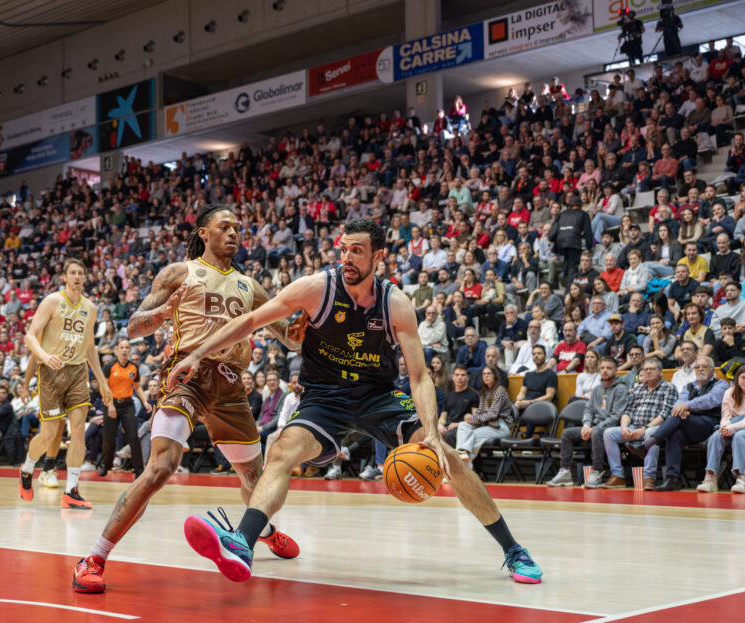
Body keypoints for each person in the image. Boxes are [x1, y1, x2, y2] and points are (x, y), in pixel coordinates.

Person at [169, 218, 542, 585]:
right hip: (325, 399)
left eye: (357, 251)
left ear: (377, 256)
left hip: (378, 397)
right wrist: (198, 353)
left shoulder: (395, 303)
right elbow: (251, 322)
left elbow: (419, 376)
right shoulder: (316, 288)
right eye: (343, 249)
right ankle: (242, 544)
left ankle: (514, 550)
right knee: (281, 450)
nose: (347, 257)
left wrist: (429, 432)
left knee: (449, 458)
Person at [71, 204, 304, 593]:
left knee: (256, 479)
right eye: (224, 226)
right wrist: (163, 311)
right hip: (187, 377)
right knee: (162, 467)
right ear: (203, 233)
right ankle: (93, 557)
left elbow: (287, 336)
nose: (233, 233)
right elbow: (133, 327)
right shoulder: (181, 272)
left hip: (230, 386)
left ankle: (262, 529)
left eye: (237, 228)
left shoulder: (250, 286)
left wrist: (301, 327)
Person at [17, 259, 111, 508]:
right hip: (50, 371)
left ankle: (71, 491)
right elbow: (30, 336)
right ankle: (27, 469)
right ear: (65, 277)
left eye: (81, 273)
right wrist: (45, 356)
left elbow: (90, 348)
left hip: (77, 371)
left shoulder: (90, 308)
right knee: (48, 433)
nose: (77, 277)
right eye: (73, 273)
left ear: (85, 277)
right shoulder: (52, 301)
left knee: (78, 430)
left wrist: (102, 382)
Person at [629, 356, 728, 491]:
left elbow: (710, 400)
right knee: (674, 433)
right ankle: (672, 479)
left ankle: (647, 444)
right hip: (688, 425)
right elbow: (678, 404)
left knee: (678, 418)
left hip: (709, 425)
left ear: (712, 369)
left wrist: (687, 406)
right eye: (697, 367)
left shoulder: (720, 384)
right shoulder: (689, 386)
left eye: (704, 366)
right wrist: (681, 408)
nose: (700, 369)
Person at [549, 356, 628, 488]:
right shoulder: (597, 389)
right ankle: (565, 472)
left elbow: (616, 416)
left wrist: (593, 428)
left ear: (616, 371)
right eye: (602, 368)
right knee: (567, 433)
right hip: (593, 427)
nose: (605, 371)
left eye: (609, 368)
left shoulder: (621, 389)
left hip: (610, 428)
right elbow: (588, 409)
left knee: (596, 432)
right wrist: (586, 425)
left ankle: (596, 471)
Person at [600, 358, 678, 490]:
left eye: (652, 369)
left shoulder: (669, 388)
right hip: (634, 427)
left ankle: (649, 478)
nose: (648, 372)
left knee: (651, 433)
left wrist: (645, 428)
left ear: (660, 372)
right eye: (645, 369)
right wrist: (624, 427)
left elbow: (665, 415)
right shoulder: (638, 389)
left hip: (655, 428)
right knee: (608, 433)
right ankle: (618, 476)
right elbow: (628, 412)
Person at [704, 364, 745, 494]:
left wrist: (731, 428)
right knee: (716, 436)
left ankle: (742, 478)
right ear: (737, 378)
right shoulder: (729, 392)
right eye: (743, 378)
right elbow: (725, 416)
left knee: (740, 436)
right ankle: (710, 477)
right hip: (733, 425)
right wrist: (724, 428)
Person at [99, 338, 151, 476]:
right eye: (122, 347)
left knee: (133, 436)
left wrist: (145, 401)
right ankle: (106, 465)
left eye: (127, 347)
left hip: (128, 405)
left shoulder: (134, 367)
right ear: (117, 349)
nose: (124, 350)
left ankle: (139, 469)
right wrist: (109, 405)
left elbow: (138, 387)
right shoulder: (109, 366)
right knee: (109, 438)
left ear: (130, 350)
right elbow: (103, 388)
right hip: (111, 404)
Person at [514, 345, 557, 411]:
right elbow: (522, 393)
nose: (536, 356)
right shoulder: (528, 375)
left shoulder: (551, 375)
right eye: (534, 354)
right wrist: (518, 401)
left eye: (539, 353)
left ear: (545, 356)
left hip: (540, 408)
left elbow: (549, 397)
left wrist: (530, 402)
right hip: (525, 405)